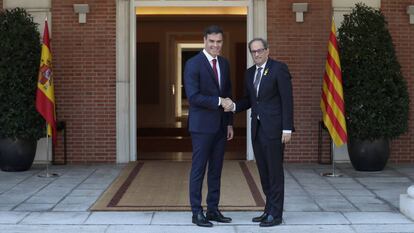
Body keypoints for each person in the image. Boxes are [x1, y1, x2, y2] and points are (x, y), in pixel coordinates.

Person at [224, 38, 294, 227]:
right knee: (263, 171)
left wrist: (287, 128)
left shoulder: (279, 69)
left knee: (275, 172)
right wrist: (234, 106)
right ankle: (268, 209)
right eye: (253, 51)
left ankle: (276, 214)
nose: (256, 54)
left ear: (267, 51)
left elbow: (287, 100)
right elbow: (250, 100)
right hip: (257, 129)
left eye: (260, 50)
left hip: (275, 130)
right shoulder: (249, 73)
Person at [184, 25, 234, 228]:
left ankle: (213, 209)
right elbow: (193, 97)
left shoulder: (224, 63)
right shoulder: (193, 64)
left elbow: (228, 92)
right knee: (199, 169)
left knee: (216, 170)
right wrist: (219, 101)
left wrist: (230, 122)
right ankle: (197, 212)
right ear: (204, 40)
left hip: (221, 126)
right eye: (212, 41)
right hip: (202, 127)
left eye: (219, 42)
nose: (215, 45)